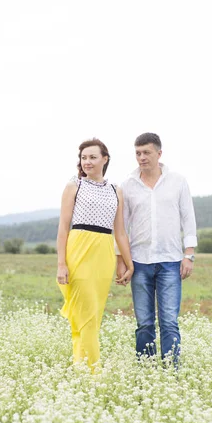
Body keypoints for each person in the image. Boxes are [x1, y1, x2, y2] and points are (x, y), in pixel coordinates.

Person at [116, 132, 197, 366]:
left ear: (159, 154)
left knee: (169, 321)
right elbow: (121, 227)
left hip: (171, 261)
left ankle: (171, 371)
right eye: (138, 153)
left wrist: (188, 254)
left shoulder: (178, 181)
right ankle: (146, 371)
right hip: (139, 262)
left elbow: (188, 219)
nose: (141, 157)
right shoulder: (127, 185)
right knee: (144, 323)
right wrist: (121, 260)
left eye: (146, 153)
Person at [57, 138, 134, 372]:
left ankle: (80, 367)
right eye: (83, 158)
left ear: (105, 159)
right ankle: (95, 373)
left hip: (104, 253)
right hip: (79, 250)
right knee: (86, 313)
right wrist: (61, 263)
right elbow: (63, 227)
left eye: (92, 157)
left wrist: (128, 264)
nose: (87, 162)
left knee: (94, 315)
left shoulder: (115, 190)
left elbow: (119, 232)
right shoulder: (74, 186)